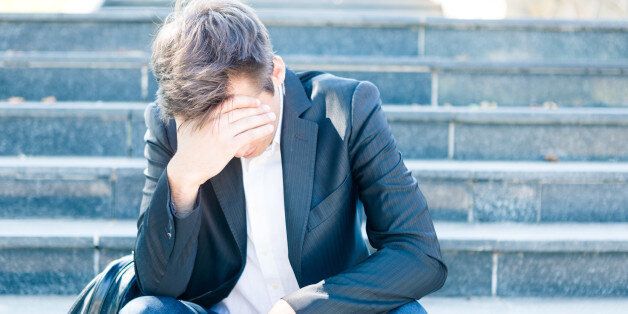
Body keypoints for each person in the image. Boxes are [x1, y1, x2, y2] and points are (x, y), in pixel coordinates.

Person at [120, 0, 447, 313]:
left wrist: (302, 307)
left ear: (275, 72)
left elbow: (419, 254)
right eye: (209, 127)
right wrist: (183, 179)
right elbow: (158, 286)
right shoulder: (173, 127)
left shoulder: (346, 109)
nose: (227, 140)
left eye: (241, 116)